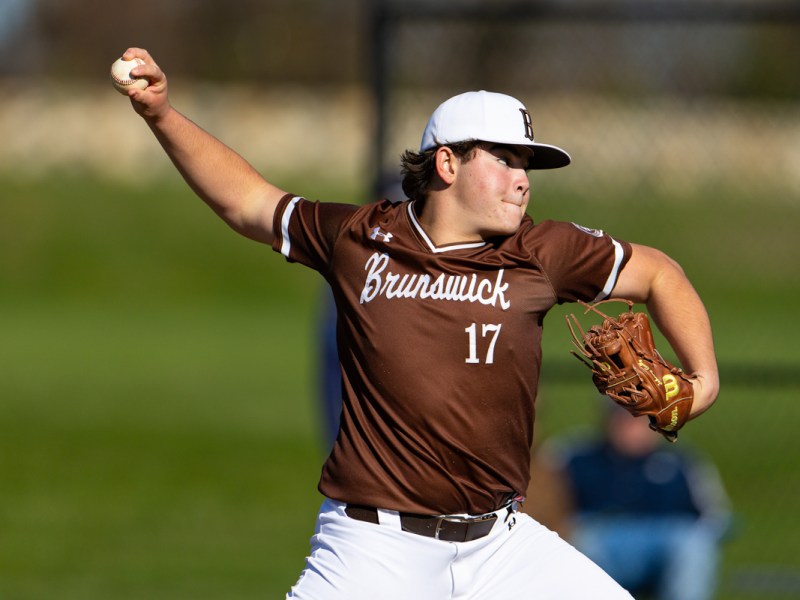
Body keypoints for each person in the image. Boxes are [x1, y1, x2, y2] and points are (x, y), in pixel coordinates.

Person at [116, 47, 720, 599]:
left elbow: (660, 274)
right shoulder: (360, 239)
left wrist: (704, 379)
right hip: (374, 547)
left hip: (501, 546)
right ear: (448, 163)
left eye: (527, 164)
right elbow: (247, 201)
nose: (522, 179)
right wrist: (160, 113)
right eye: (505, 158)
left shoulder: (543, 251)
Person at [537, 403, 732, 600]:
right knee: (581, 540)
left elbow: (715, 515)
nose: (634, 430)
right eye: (625, 421)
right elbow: (543, 504)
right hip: (600, 537)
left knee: (692, 543)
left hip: (663, 540)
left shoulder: (680, 460)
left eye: (643, 422)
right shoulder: (575, 456)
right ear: (608, 421)